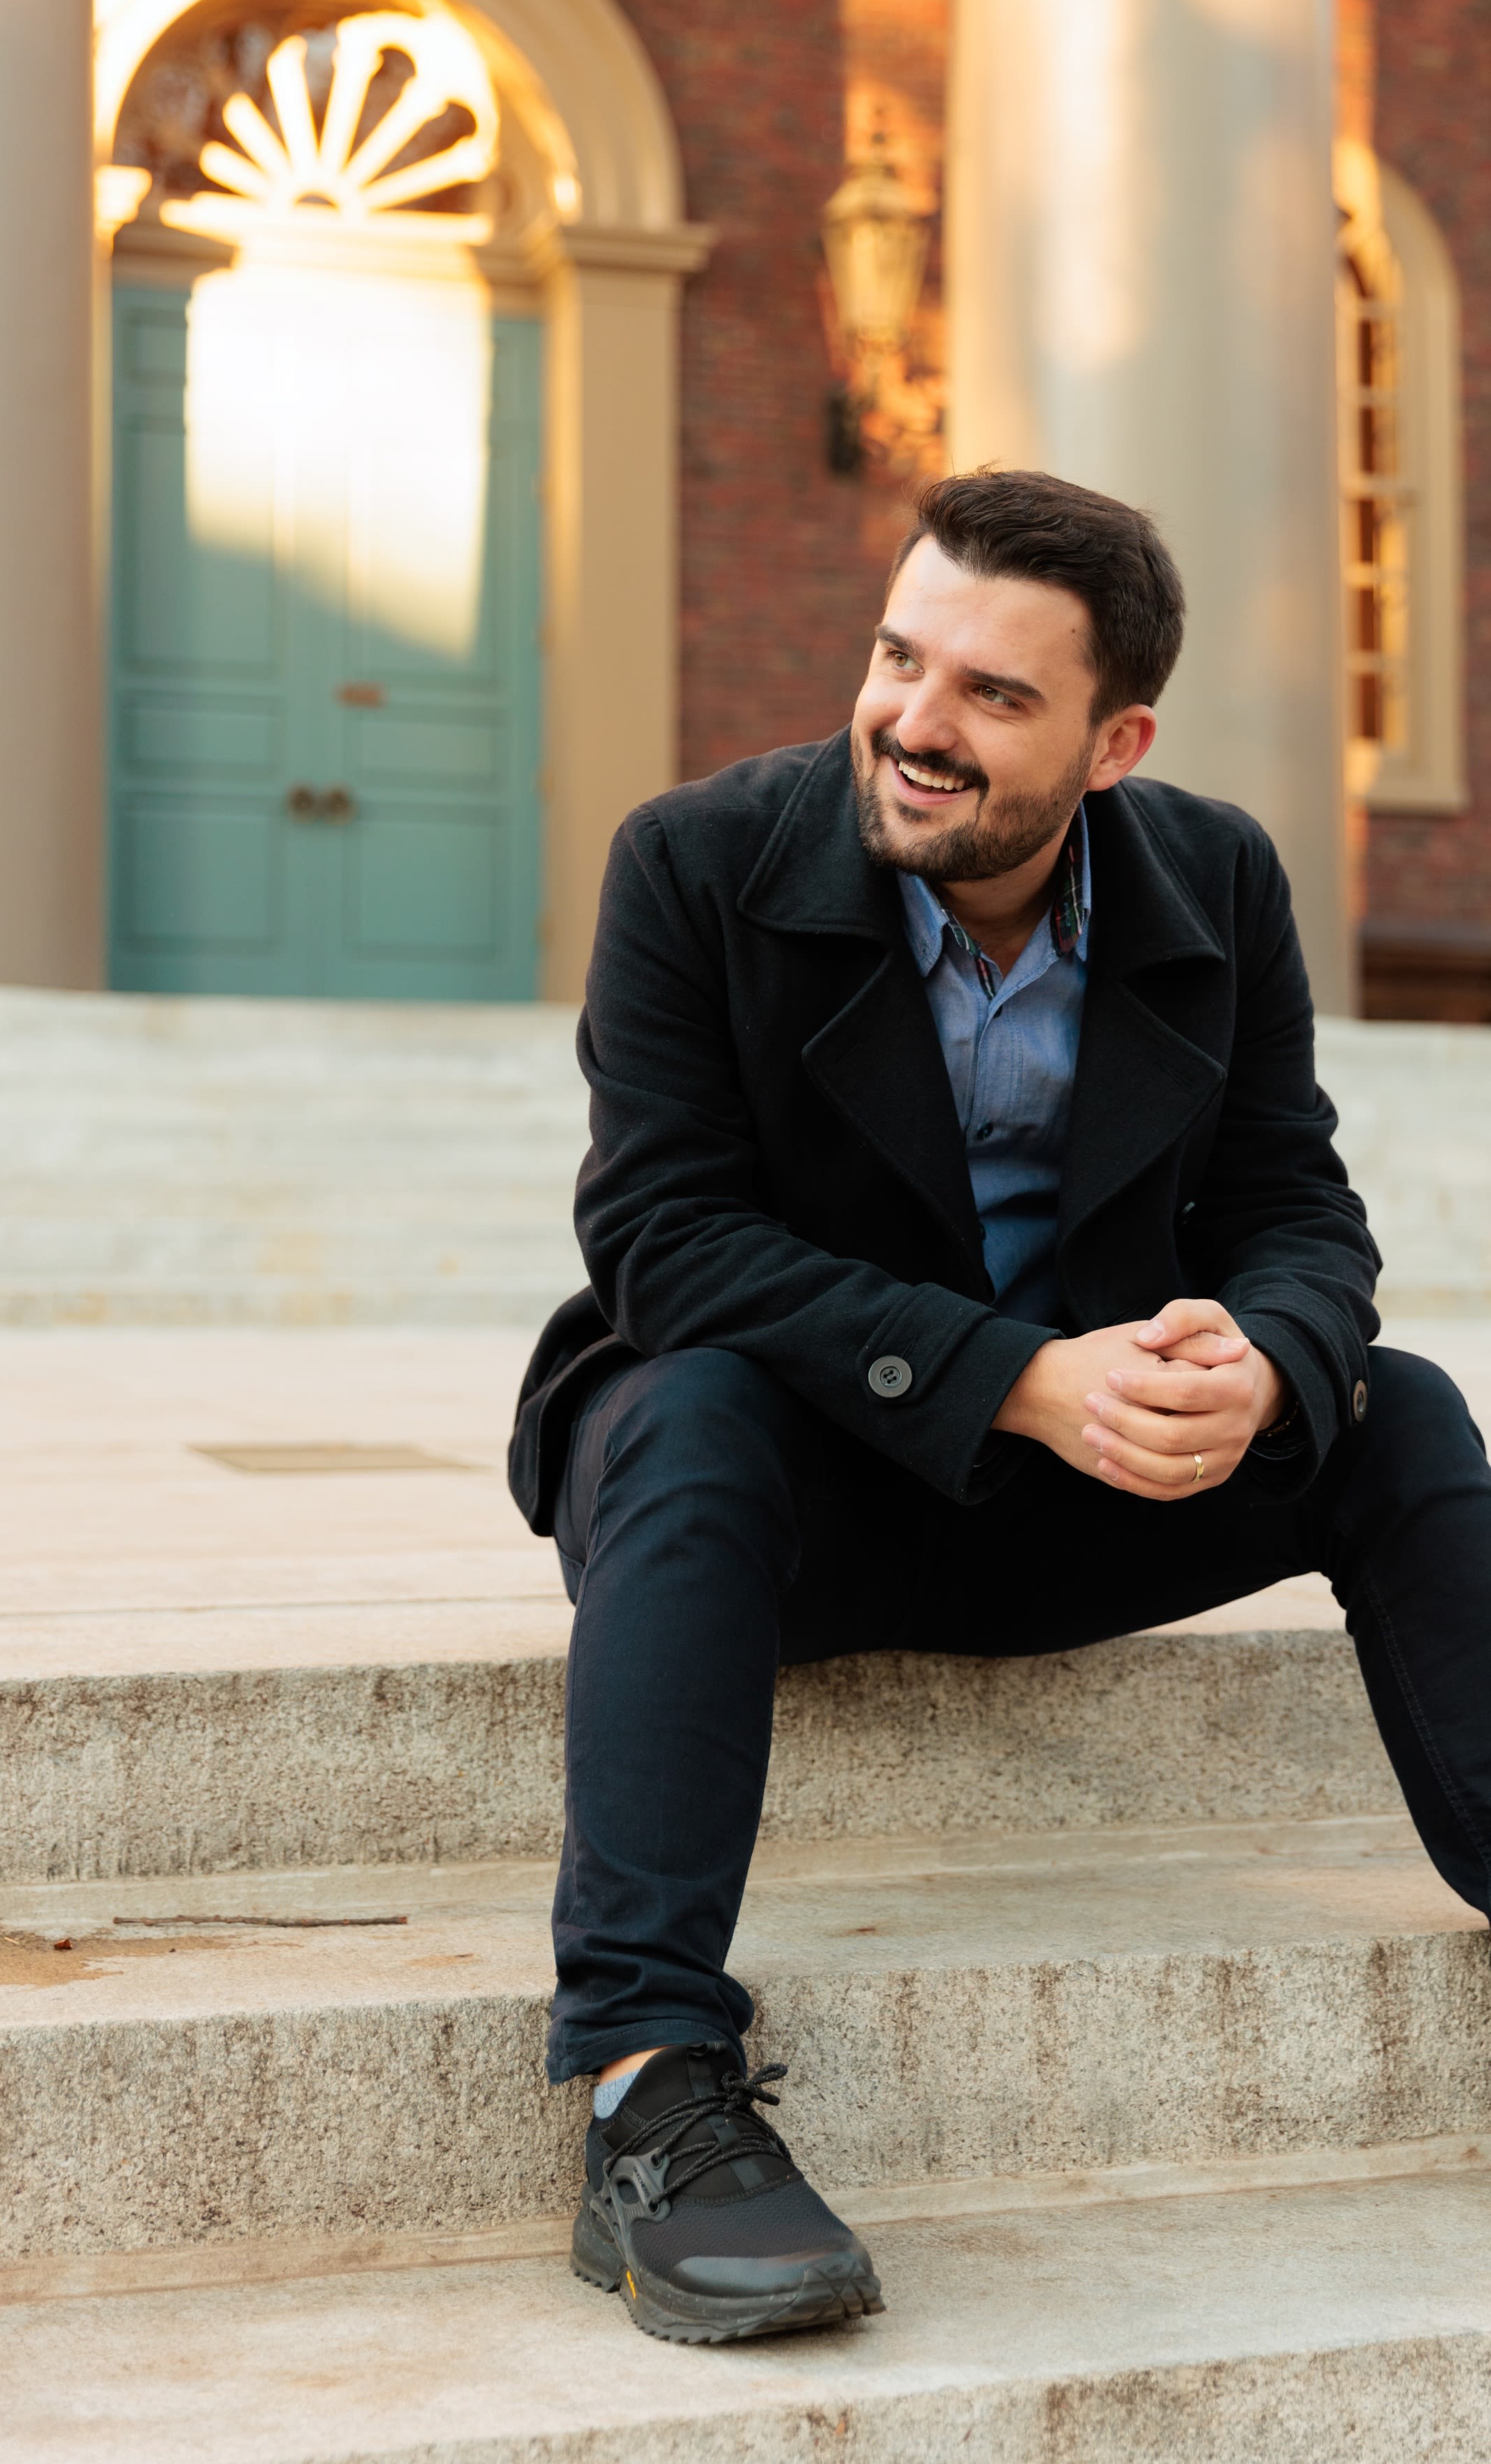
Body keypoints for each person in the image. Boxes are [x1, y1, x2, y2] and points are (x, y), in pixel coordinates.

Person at [510, 467, 1491, 2347]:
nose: (913, 721)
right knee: (686, 1406)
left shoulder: (1217, 875)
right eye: (900, 657)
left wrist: (1263, 1360)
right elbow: (664, 1242)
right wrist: (1016, 1378)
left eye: (992, 695)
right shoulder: (696, 863)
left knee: (1403, 1405)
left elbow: (1296, 1201)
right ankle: (646, 2082)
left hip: (1077, 1485)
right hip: (790, 1493)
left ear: (1116, 741)